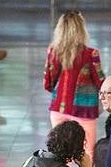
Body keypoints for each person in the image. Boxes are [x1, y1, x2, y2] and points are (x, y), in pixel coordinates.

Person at [42, 9, 104, 157]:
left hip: (59, 108)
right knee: (88, 152)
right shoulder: (91, 54)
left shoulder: (53, 52)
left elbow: (48, 83)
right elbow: (100, 82)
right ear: (81, 30)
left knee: (60, 153)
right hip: (85, 109)